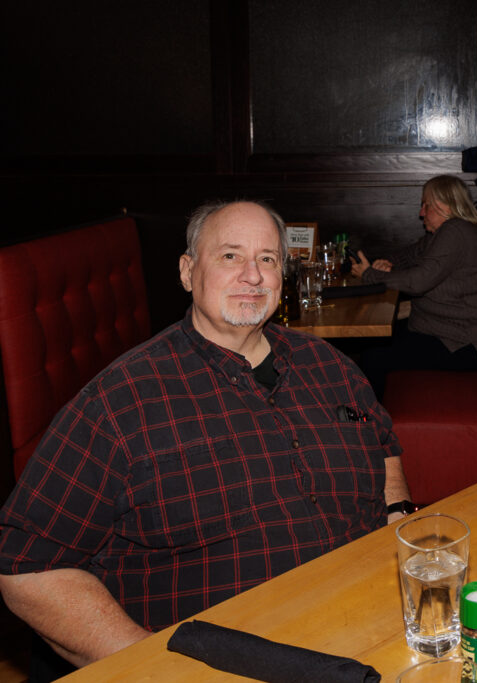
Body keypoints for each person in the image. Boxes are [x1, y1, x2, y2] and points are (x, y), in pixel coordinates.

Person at [0, 200, 412, 671]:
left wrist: (398, 520)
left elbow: (382, 443)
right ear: (187, 271)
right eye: (230, 256)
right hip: (221, 663)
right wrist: (151, 667)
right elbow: (26, 566)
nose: (252, 275)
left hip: (370, 627)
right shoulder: (120, 402)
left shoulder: (331, 365)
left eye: (267, 259)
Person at [352, 175, 477, 398]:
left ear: (446, 206)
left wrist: (370, 275)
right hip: (445, 331)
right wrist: (386, 263)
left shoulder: (456, 231)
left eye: (426, 205)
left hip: (472, 343)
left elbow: (417, 283)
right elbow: (408, 255)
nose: (421, 212)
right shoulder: (442, 235)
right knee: (375, 341)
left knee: (375, 355)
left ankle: (367, 417)